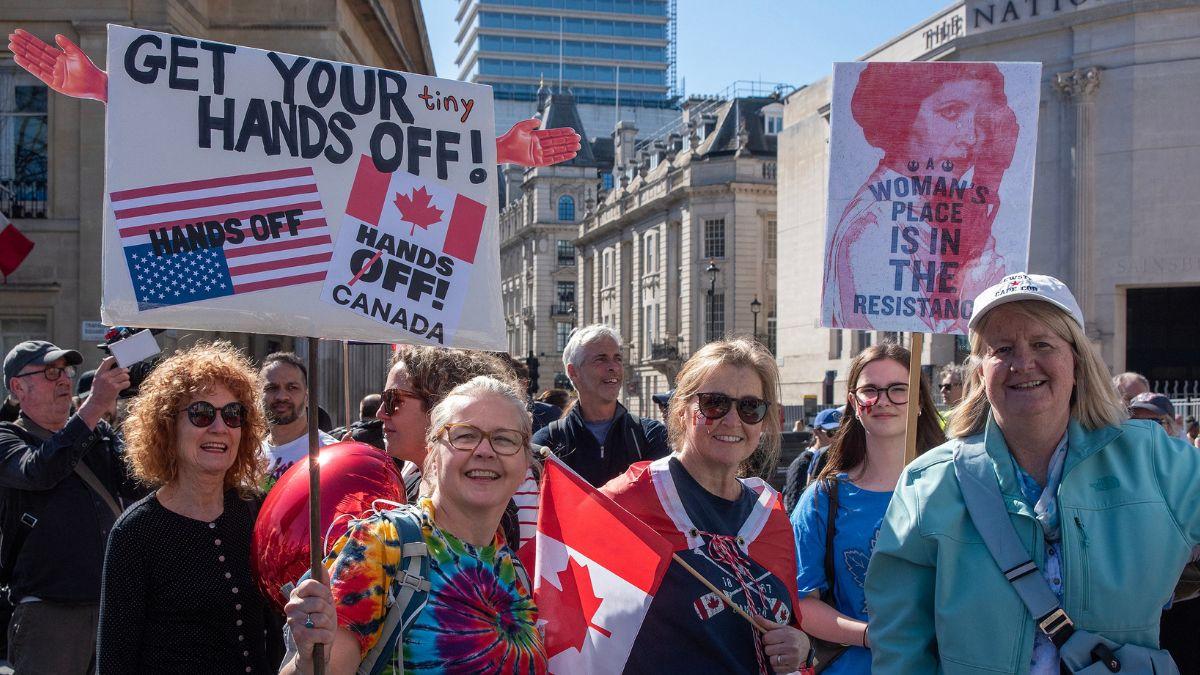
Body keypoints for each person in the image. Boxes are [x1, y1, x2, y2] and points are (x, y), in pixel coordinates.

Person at [865, 273, 1200, 673]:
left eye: (1042, 344)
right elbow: (900, 639)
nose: (1023, 363)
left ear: (1076, 360)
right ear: (979, 372)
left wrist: (1171, 576)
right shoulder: (928, 483)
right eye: (1002, 348)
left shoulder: (1154, 458)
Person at [279, 376, 546, 674]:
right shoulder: (382, 544)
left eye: (504, 439)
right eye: (465, 436)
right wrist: (309, 658)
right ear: (432, 454)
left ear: (525, 464)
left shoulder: (513, 569)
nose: (485, 450)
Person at [601, 338, 809, 673]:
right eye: (714, 404)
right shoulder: (627, 502)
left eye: (750, 407)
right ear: (682, 409)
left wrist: (803, 647)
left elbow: (789, 623)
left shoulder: (771, 515)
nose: (732, 420)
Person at [97, 341, 281, 673]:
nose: (219, 427)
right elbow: (114, 662)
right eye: (201, 413)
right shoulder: (134, 533)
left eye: (233, 414)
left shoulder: (257, 510)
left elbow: (278, 632)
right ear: (168, 427)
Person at [823, 62, 1019, 333]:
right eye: (951, 112)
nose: (971, 136)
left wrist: (991, 175)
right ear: (901, 119)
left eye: (982, 119)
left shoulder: (945, 210)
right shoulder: (870, 227)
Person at [790, 344, 944, 673]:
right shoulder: (822, 498)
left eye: (899, 389)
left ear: (918, 401)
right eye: (870, 390)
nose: (883, 400)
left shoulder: (954, 489)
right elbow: (802, 602)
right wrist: (873, 636)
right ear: (854, 404)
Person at [0, 341, 142, 673]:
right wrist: (94, 406)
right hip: (50, 614)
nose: (64, 380)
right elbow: (39, 470)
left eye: (65, 370)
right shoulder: (8, 438)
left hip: (111, 607)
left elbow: (139, 484)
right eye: (51, 372)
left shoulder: (96, 432)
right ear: (18, 387)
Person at [533, 325, 670, 486]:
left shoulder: (650, 436)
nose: (614, 367)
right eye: (601, 359)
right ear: (573, 372)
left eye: (617, 358)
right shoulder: (548, 442)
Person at [259, 352, 336, 487]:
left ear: (307, 397)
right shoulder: (251, 456)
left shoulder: (330, 452)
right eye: (272, 388)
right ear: (258, 395)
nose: (282, 396)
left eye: (292, 388)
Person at [781, 406, 843, 513]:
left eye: (842, 432)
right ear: (816, 432)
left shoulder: (844, 461)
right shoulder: (802, 464)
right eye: (832, 432)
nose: (838, 438)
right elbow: (794, 508)